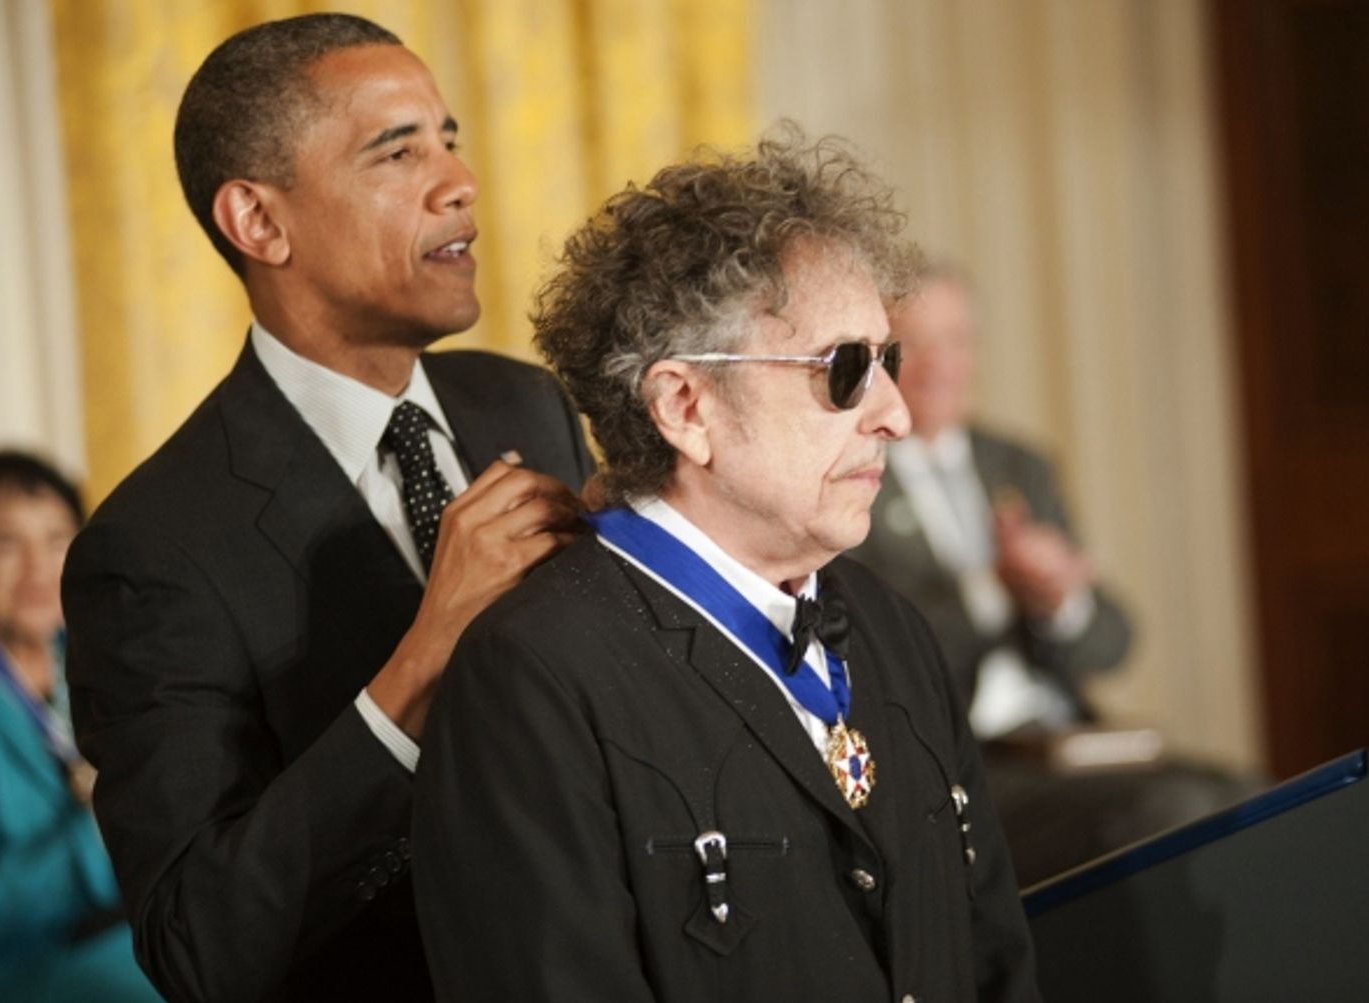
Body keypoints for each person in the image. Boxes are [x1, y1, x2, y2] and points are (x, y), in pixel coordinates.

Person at [412, 133, 1041, 1003]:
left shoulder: (894, 624)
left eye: (885, 361)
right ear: (685, 406)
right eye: (846, 370)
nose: (896, 413)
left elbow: (997, 962)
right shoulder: (535, 679)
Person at [61, 14, 592, 1002]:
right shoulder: (150, 550)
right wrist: (420, 668)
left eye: (449, 138)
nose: (457, 181)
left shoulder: (528, 404)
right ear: (259, 222)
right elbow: (196, 947)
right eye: (397, 152)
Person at [850, 266, 1250, 885]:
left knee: (1253, 796)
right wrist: (991, 587)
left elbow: (1113, 643)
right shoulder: (858, 473)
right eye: (918, 345)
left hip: (1064, 738)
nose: (940, 365)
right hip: (960, 757)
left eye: (957, 341)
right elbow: (879, 651)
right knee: (1170, 811)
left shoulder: (1019, 466)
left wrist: (1062, 600)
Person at [0, 451, 160, 1002]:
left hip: (126, 930)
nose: (36, 568)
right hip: (20, 971)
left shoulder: (100, 659)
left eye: (56, 541)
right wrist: (99, 831)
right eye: (6, 543)